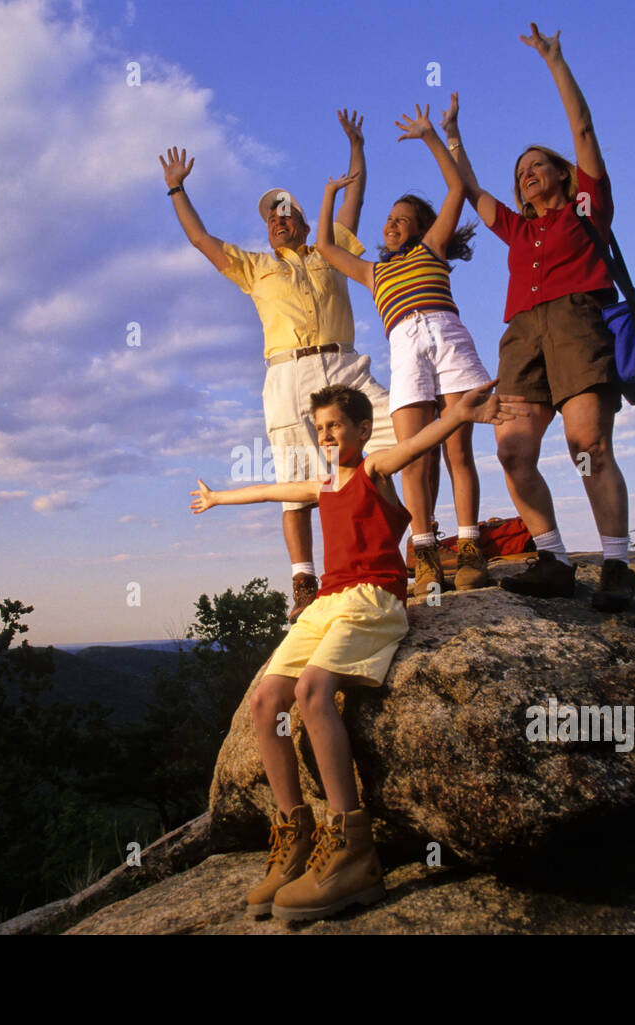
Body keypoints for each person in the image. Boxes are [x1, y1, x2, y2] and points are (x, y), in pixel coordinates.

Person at [190, 380, 525, 921]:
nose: (326, 436)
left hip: (372, 600)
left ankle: (351, 844)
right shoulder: (322, 482)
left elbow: (413, 447)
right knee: (264, 701)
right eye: (319, 429)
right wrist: (219, 498)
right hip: (325, 601)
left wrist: (458, 414)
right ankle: (294, 835)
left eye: (335, 426)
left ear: (363, 430)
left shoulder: (373, 472)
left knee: (312, 691)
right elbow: (273, 492)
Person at [161, 110, 404, 624]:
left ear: (301, 218)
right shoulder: (254, 266)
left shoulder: (328, 249)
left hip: (343, 367)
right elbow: (201, 240)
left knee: (396, 443)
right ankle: (303, 582)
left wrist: (358, 147)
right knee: (295, 482)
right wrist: (177, 191)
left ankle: (409, 548)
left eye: (285, 211)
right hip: (287, 374)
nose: (277, 219)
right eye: (270, 216)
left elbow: (354, 196)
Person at [442, 23, 635, 611]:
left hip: (578, 322)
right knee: (512, 452)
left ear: (560, 173)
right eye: (521, 169)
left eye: (537, 164)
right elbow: (469, 189)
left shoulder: (587, 208)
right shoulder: (519, 228)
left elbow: (583, 128)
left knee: (587, 444)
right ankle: (553, 558)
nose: (527, 172)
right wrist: (450, 135)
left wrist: (555, 61)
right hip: (522, 333)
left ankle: (617, 564)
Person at [316, 103, 494, 598]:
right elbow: (327, 248)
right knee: (414, 457)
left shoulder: (430, 249)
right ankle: (425, 553)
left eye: (402, 219)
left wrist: (430, 135)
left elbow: (457, 188)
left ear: (419, 226)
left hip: (448, 334)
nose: (392, 224)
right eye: (389, 219)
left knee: (459, 448)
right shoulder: (374, 271)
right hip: (405, 346)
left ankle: (470, 546)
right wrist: (330, 195)